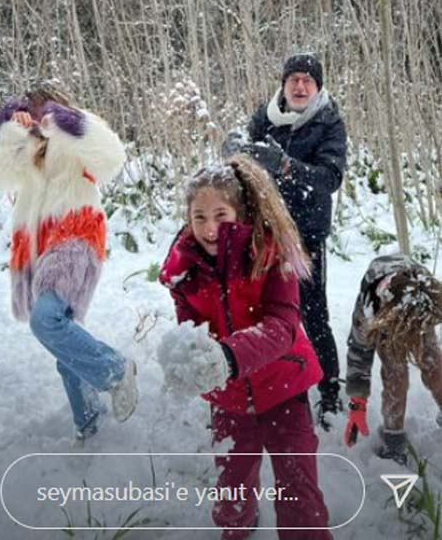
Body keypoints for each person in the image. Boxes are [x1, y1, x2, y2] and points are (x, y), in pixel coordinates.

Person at [158, 156, 332, 540]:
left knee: (299, 495)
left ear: (240, 211)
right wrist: (185, 360)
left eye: (220, 214)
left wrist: (228, 356)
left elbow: (283, 326)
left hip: (285, 388)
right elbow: (190, 330)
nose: (209, 227)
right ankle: (239, 527)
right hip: (229, 399)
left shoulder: (271, 253)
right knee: (232, 492)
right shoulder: (183, 271)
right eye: (198, 216)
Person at [0, 82, 138, 444]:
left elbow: (112, 156)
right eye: (32, 108)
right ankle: (89, 425)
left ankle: (116, 370)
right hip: (40, 249)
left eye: (44, 107)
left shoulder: (78, 135)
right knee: (66, 338)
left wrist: (66, 120)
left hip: (78, 234)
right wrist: (7, 122)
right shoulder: (30, 150)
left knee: (47, 320)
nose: (38, 115)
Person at [225, 53, 347, 428]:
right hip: (264, 234)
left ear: (318, 87)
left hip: (304, 238)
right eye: (293, 79)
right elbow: (241, 157)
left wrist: (287, 167)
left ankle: (329, 392)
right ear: (283, 83)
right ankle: (273, 384)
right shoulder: (265, 117)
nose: (299, 86)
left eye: (307, 81)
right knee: (267, 314)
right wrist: (234, 150)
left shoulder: (329, 122)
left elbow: (331, 178)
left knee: (313, 316)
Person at [344, 253, 442, 465]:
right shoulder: (368, 312)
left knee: (433, 366)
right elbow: (359, 354)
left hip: (415, 309)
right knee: (394, 373)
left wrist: (421, 329)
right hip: (389, 318)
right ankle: (393, 437)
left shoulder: (426, 294)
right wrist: (358, 403)